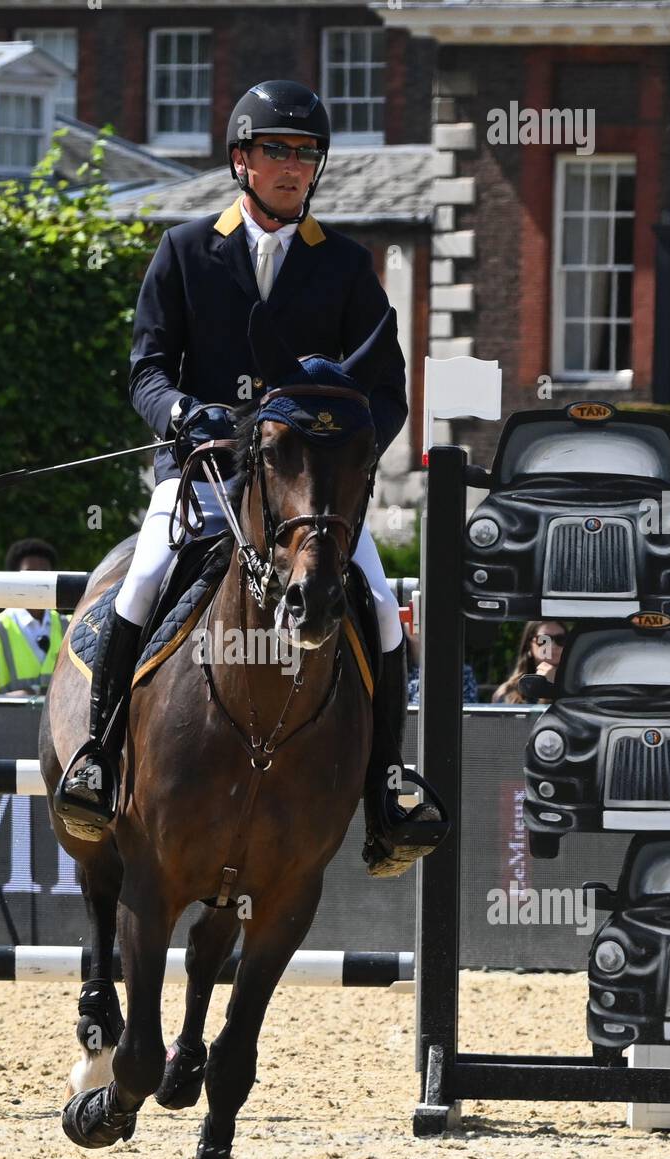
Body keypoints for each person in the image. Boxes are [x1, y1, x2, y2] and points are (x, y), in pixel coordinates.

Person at [57, 79, 439, 875]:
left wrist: (341, 453)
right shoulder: (186, 249)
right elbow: (147, 369)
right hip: (203, 474)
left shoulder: (344, 266)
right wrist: (179, 416)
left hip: (304, 496)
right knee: (145, 577)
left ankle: (387, 787)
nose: (294, 167)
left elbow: (387, 393)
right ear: (241, 160)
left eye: (306, 155)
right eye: (278, 151)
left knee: (380, 607)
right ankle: (96, 756)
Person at [0, 538, 66, 696]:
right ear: (14, 579)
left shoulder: (71, 625)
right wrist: (15, 698)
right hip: (11, 721)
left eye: (45, 573)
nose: (38, 580)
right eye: (30, 573)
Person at [492, 620, 568, 704]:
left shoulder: (578, 686)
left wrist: (557, 685)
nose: (553, 646)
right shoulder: (508, 691)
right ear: (529, 646)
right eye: (544, 640)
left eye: (561, 639)